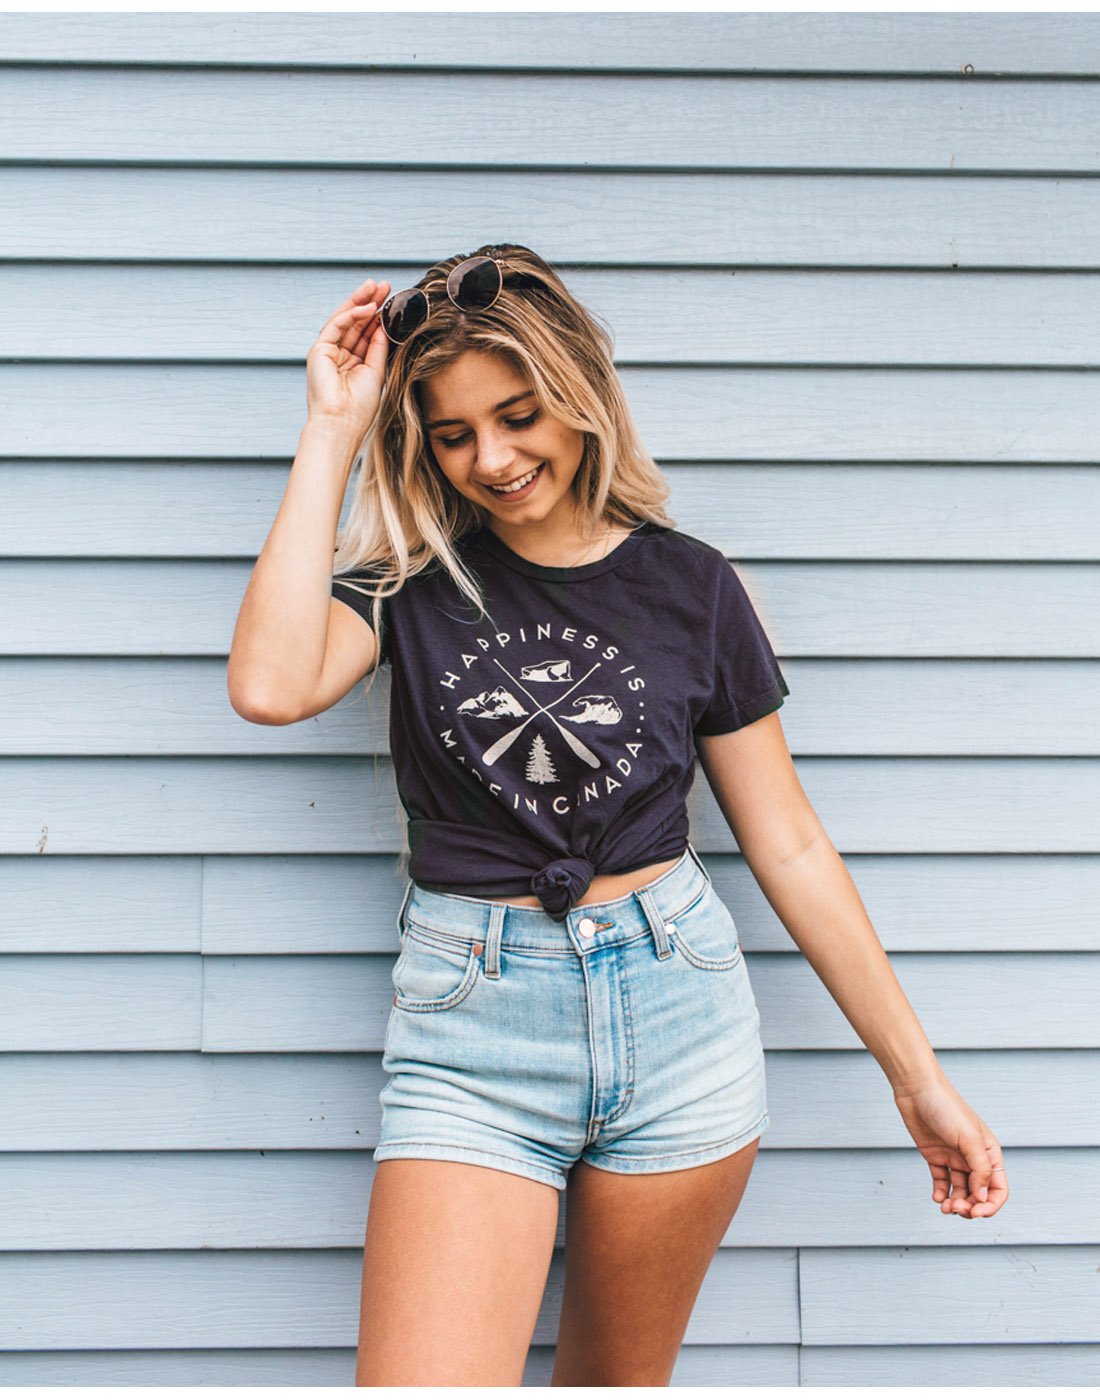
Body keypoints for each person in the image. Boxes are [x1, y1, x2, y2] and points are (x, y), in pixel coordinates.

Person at [227, 243, 1009, 1386]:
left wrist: (914, 1073)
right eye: (452, 433)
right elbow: (268, 684)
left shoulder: (693, 588)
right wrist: (332, 432)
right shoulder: (408, 582)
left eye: (518, 414)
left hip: (676, 1013)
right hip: (472, 1031)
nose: (490, 458)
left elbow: (785, 839)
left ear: (580, 392)